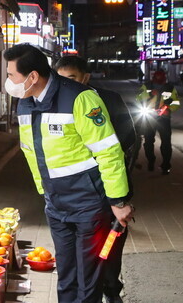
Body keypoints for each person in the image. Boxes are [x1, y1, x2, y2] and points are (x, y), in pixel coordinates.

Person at [4, 44, 133, 303]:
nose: (9, 81)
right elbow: (32, 152)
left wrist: (118, 201)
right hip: (56, 205)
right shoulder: (25, 105)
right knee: (66, 275)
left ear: (32, 77)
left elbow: (109, 152)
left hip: (89, 205)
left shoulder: (80, 98)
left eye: (11, 75)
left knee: (89, 280)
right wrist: (45, 192)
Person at [55, 55, 136, 303]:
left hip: (108, 188)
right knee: (78, 255)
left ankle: (111, 289)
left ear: (85, 78)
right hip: (76, 195)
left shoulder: (108, 100)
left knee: (109, 246)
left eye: (72, 79)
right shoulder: (55, 103)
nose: (66, 85)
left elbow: (127, 138)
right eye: (61, 80)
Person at [136, 69, 180, 174]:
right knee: (148, 142)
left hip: (164, 118)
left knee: (166, 143)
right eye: (157, 78)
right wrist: (150, 95)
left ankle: (166, 166)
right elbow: (138, 99)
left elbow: (176, 103)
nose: (159, 80)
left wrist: (169, 109)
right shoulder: (147, 86)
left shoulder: (170, 88)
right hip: (149, 117)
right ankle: (151, 160)